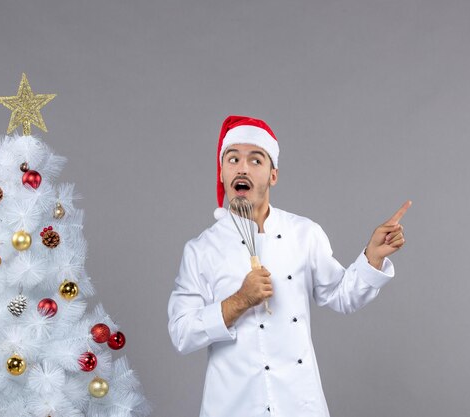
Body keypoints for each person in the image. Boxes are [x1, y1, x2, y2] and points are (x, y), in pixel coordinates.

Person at [167, 115, 411, 417]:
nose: (242, 167)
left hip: (299, 403)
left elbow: (341, 295)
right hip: (232, 405)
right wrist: (239, 301)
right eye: (233, 159)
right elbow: (181, 332)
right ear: (222, 173)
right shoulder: (201, 250)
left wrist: (372, 257)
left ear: (273, 175)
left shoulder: (304, 233)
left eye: (255, 160)